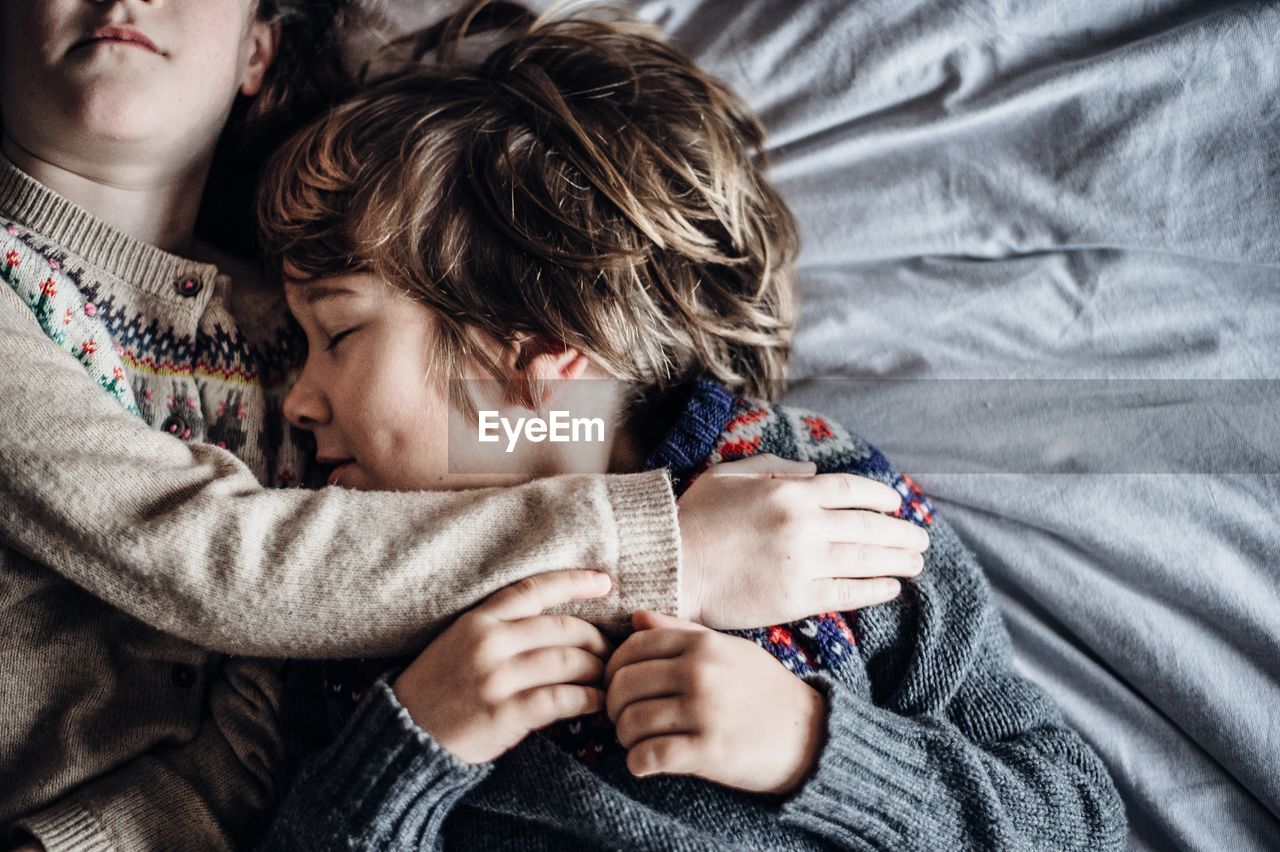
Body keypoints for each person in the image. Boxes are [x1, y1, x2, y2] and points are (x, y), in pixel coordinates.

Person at [0, 1, 927, 850]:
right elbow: (223, 560)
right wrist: (669, 545)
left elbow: (547, 416)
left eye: (343, 335)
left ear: (260, 47)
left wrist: (813, 739)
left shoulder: (292, 328)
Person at [251, 2, 1128, 849]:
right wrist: (417, 740)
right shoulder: (354, 599)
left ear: (537, 356)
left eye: (339, 334)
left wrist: (810, 745)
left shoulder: (812, 495)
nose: (298, 399)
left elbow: (1076, 820)